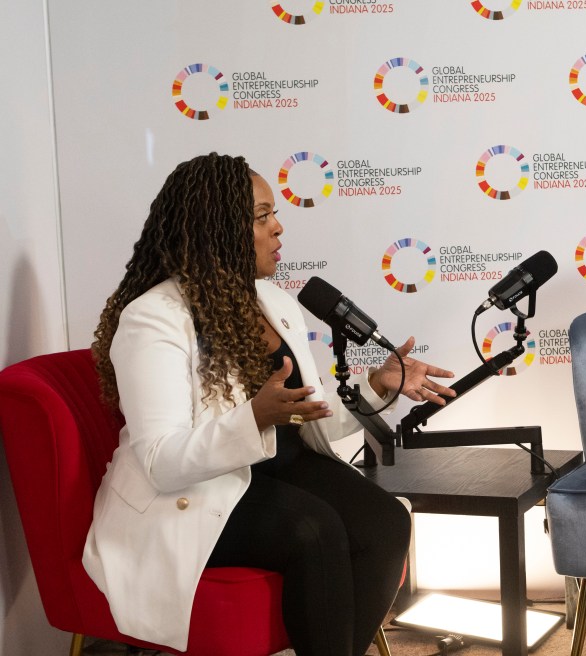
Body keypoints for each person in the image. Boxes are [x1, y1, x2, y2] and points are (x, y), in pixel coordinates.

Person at [82, 153, 456, 656]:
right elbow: (160, 462)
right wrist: (253, 416)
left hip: (279, 468)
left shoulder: (273, 302)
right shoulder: (154, 319)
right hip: (198, 488)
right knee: (313, 530)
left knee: (386, 522)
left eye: (273, 213)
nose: (279, 228)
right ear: (218, 230)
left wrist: (378, 385)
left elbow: (309, 415)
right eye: (262, 217)